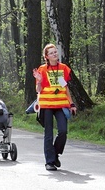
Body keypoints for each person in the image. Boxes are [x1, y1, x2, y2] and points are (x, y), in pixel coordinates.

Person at [33, 43, 77, 171]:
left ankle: (55, 154)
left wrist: (71, 103)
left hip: (61, 105)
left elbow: (65, 87)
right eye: (52, 53)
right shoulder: (42, 69)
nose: (55, 54)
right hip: (46, 105)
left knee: (63, 131)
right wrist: (40, 81)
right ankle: (49, 162)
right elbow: (38, 90)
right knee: (48, 134)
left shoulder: (63, 68)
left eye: (56, 52)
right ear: (46, 56)